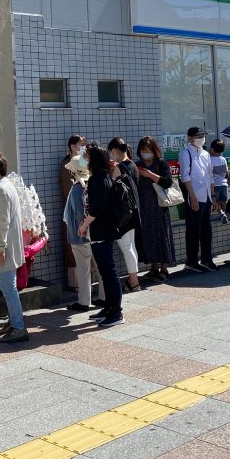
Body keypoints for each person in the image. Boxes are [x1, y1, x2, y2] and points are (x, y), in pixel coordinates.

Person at [0, 152, 29, 344]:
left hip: (6, 248)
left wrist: (0, 249)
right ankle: (14, 322)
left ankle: (18, 327)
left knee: (8, 288)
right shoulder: (7, 186)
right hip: (12, 246)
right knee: (9, 287)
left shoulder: (1, 190)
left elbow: (2, 222)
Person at [78, 143, 124, 327]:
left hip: (101, 231)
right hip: (104, 230)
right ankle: (109, 308)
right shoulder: (103, 176)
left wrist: (83, 226)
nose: (85, 160)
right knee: (106, 273)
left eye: (87, 157)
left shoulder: (98, 179)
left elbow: (96, 209)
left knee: (109, 272)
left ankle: (116, 312)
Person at [63, 151, 102, 311]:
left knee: (83, 269)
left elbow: (79, 214)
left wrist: (82, 229)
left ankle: (84, 301)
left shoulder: (77, 188)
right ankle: (104, 297)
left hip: (80, 235)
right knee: (100, 268)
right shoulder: (92, 183)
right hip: (95, 234)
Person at [135, 136, 176, 283]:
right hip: (144, 207)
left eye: (147, 150)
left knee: (162, 235)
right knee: (148, 237)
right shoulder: (137, 165)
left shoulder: (161, 163)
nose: (145, 152)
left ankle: (164, 268)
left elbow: (168, 182)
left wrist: (149, 175)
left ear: (154, 150)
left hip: (159, 206)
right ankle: (153, 267)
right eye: (142, 150)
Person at [179, 126, 215, 272]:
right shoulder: (185, 153)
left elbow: (210, 176)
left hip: (206, 195)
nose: (201, 138)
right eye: (198, 135)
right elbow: (185, 176)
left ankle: (207, 258)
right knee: (193, 229)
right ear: (190, 138)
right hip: (195, 195)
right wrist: (192, 197)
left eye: (202, 135)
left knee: (206, 229)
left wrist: (213, 196)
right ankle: (191, 260)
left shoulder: (205, 153)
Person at [107, 137, 142, 292]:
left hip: (123, 213)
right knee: (131, 246)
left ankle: (134, 281)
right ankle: (133, 280)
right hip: (133, 211)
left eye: (110, 153)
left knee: (127, 246)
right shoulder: (133, 165)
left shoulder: (119, 167)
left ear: (114, 151)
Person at [59, 134, 86, 290]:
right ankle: (76, 284)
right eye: (80, 145)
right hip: (73, 212)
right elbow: (68, 191)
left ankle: (86, 285)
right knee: (73, 250)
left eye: (84, 145)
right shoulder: (67, 165)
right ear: (72, 147)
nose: (83, 148)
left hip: (86, 213)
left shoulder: (84, 163)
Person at [209, 140, 230, 224]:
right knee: (224, 201)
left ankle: (221, 214)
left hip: (215, 185)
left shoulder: (210, 159)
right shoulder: (223, 159)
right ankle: (226, 214)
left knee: (217, 201)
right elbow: (226, 172)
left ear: (212, 149)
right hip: (224, 184)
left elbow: (209, 173)